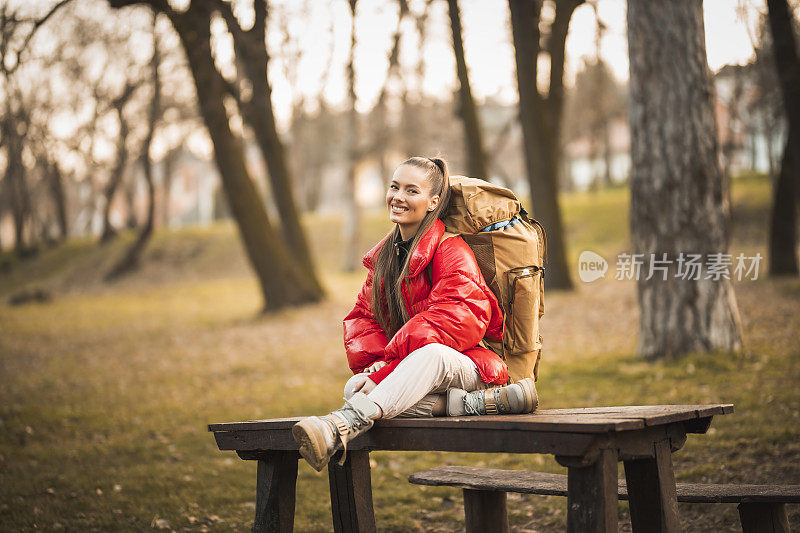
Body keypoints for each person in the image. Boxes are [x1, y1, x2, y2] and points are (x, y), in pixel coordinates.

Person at [292, 156, 538, 471]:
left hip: (470, 366)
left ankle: (341, 425)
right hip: (420, 369)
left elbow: (460, 317)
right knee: (355, 388)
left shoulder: (450, 249)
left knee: (430, 355)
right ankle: (468, 405)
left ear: (433, 201)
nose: (398, 197)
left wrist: (387, 371)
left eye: (412, 191)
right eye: (394, 187)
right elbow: (363, 321)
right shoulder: (384, 259)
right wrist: (379, 366)